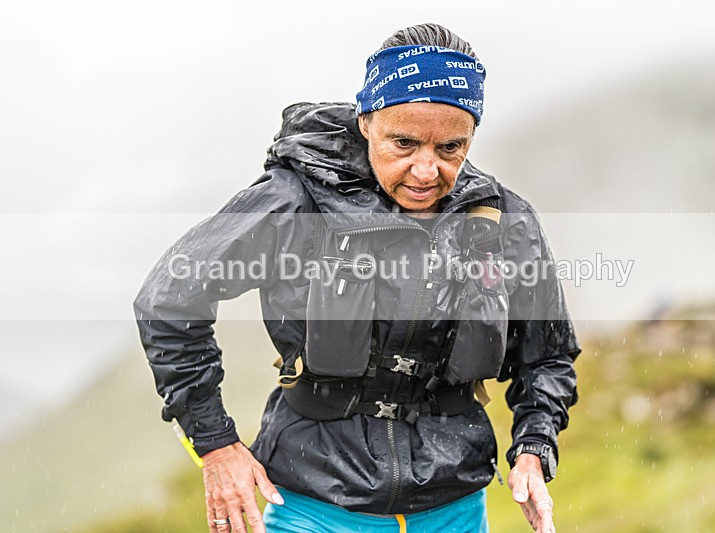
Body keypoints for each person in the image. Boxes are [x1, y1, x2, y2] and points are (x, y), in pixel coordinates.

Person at [134, 23, 580, 533]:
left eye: (451, 148)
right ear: (366, 121)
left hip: (455, 510)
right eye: (404, 143)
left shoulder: (501, 219)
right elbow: (168, 299)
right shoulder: (294, 200)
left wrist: (532, 446)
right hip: (312, 508)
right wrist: (215, 445)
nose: (426, 169)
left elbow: (547, 354)